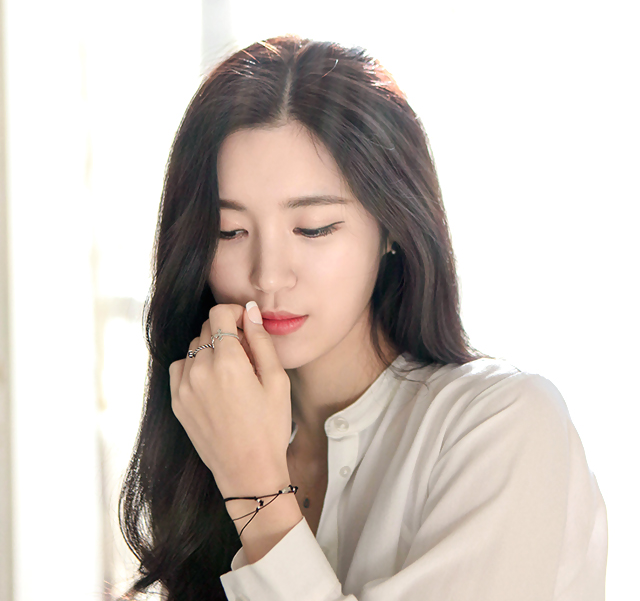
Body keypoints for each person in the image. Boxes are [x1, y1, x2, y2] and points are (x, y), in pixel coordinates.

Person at [118, 35, 608, 601]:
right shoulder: (210, 433)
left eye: (314, 228)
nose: (269, 275)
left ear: (392, 226)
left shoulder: (503, 424)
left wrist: (253, 488)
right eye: (229, 231)